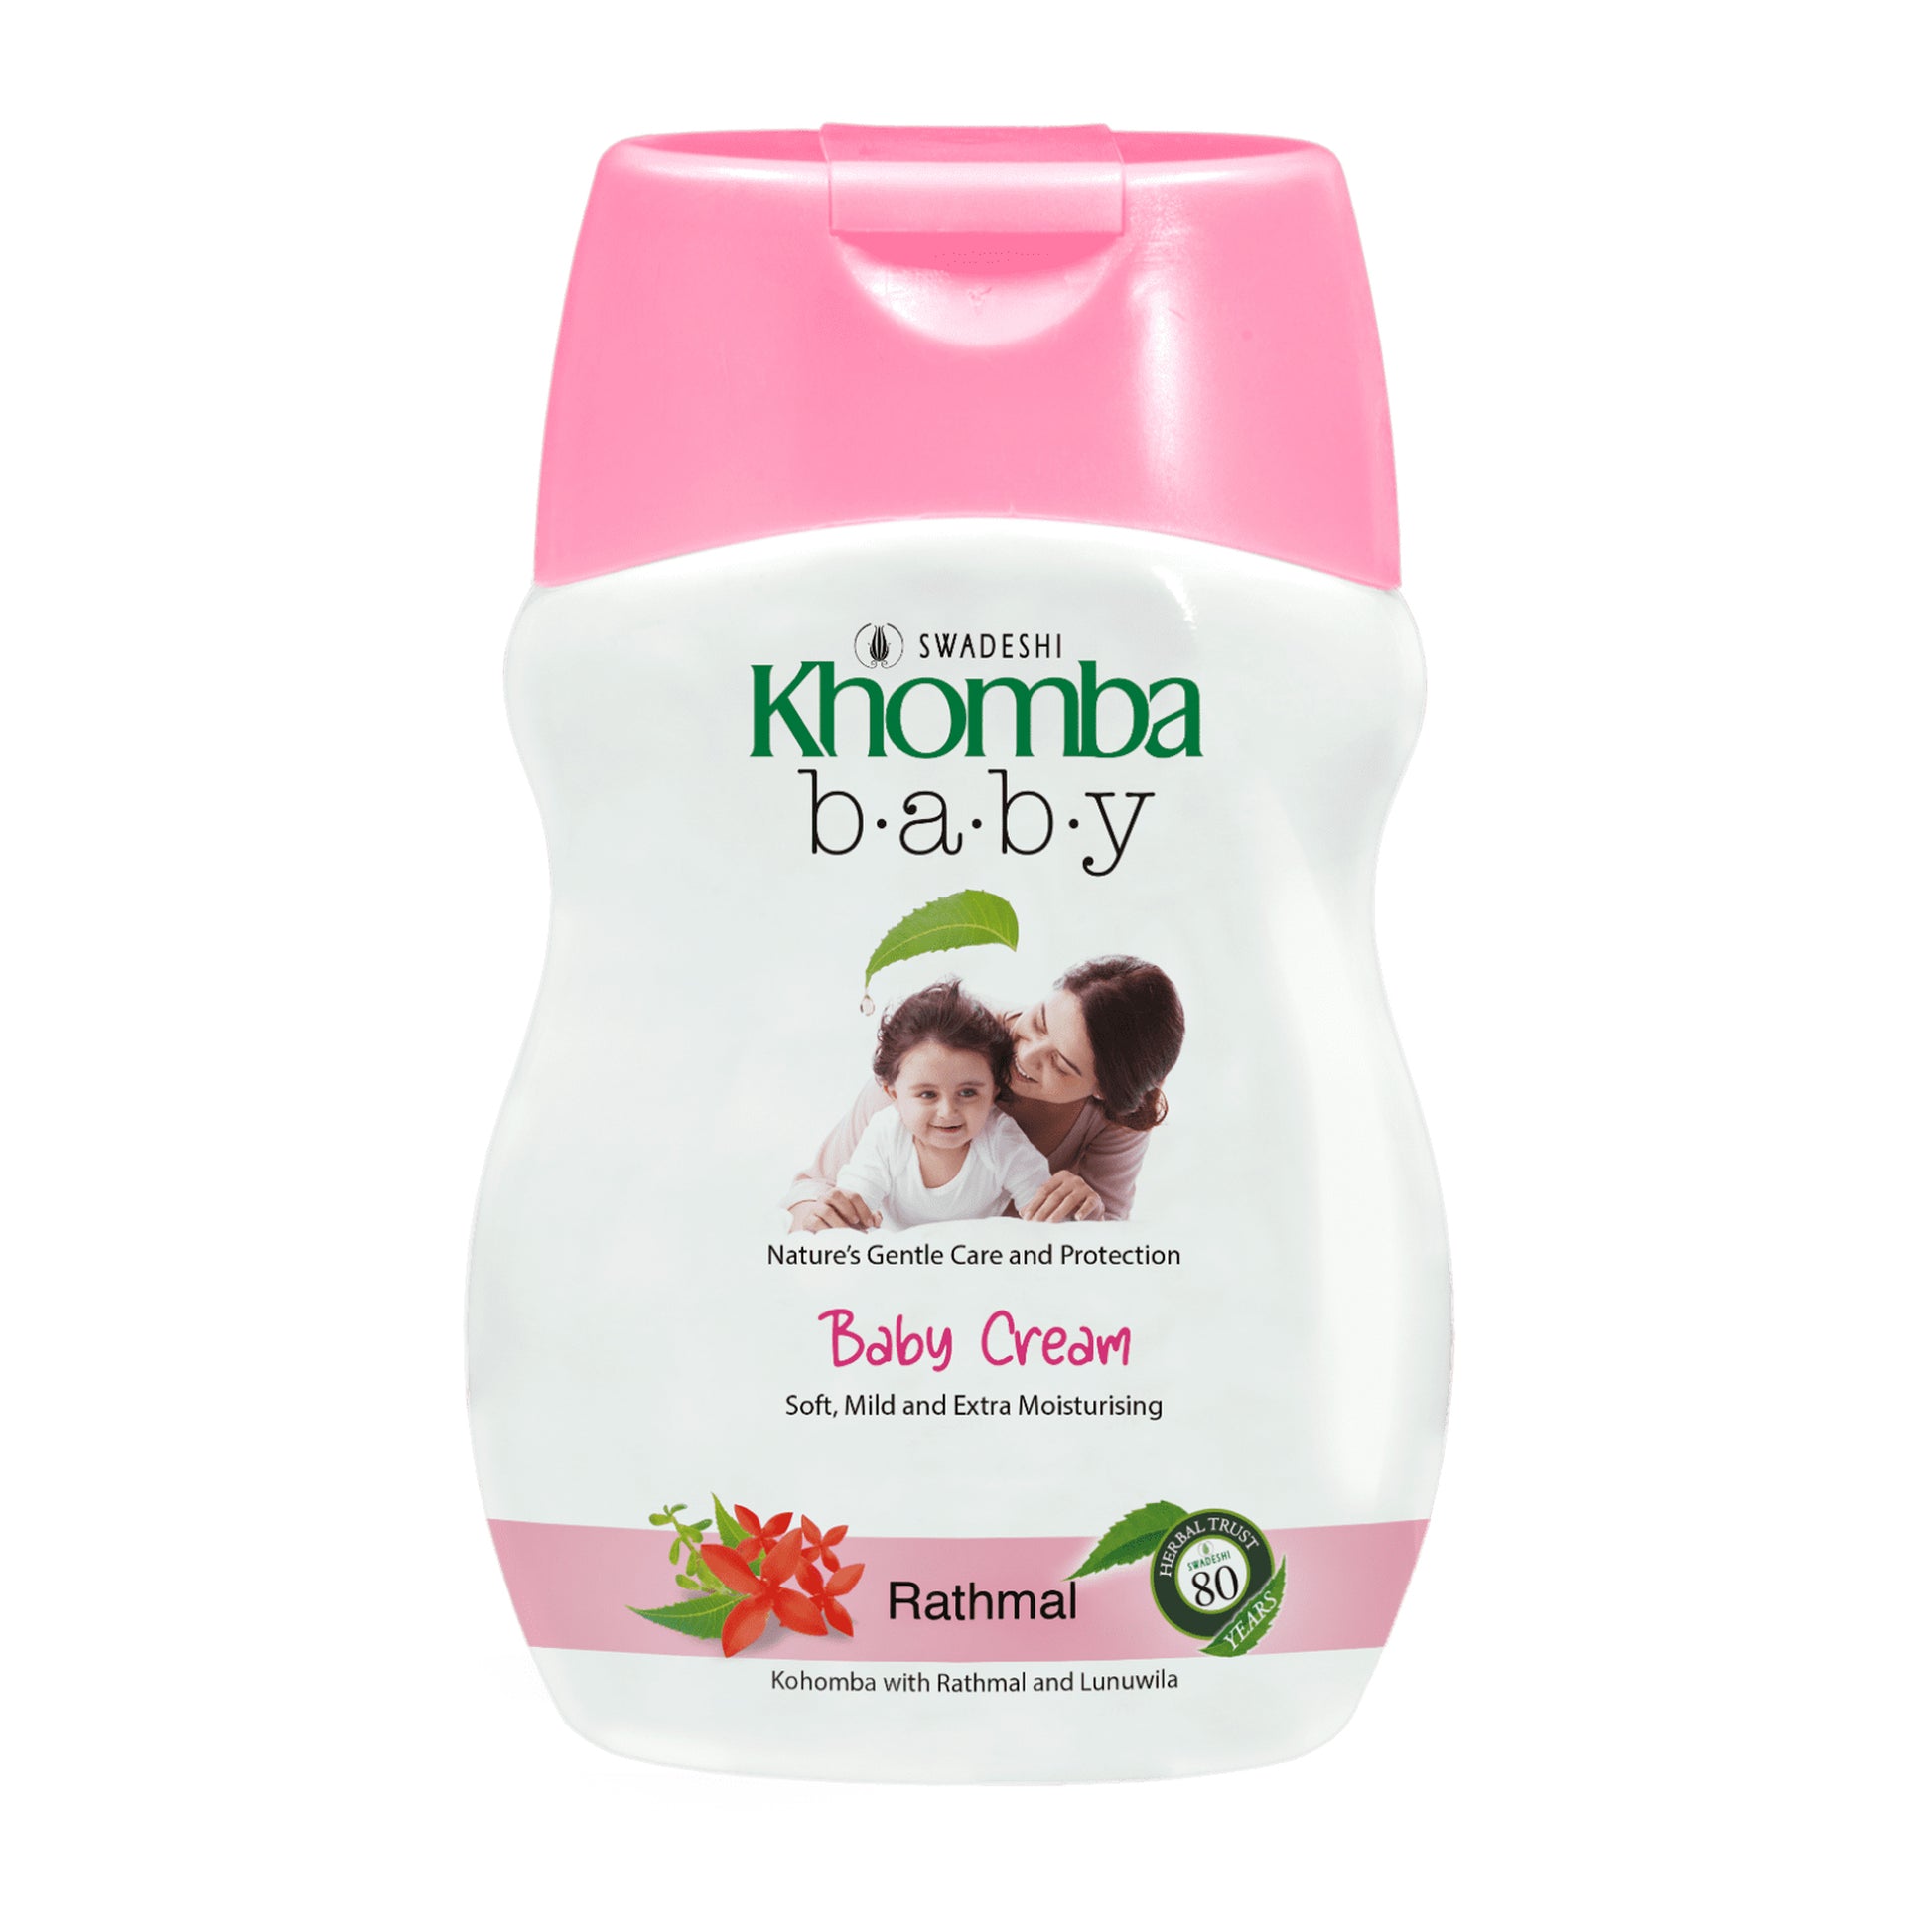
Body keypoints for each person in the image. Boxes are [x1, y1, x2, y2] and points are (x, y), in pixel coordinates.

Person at [786, 955, 1184, 1229]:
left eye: (1061, 1065)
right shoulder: (942, 1045)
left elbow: (1109, 1241)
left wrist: (1088, 1215)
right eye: (1039, 1021)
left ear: (1102, 1092)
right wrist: (822, 1221)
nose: (1026, 1056)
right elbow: (813, 1189)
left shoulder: (1119, 1117)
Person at [832, 980, 1050, 1231]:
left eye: (968, 1093)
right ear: (894, 1095)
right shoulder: (886, 1135)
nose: (948, 1112)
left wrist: (1058, 1208)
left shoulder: (1000, 1137)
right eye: (928, 1095)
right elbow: (852, 1208)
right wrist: (845, 1214)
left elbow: (1046, 1216)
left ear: (993, 1093)